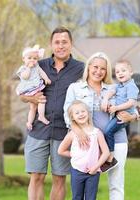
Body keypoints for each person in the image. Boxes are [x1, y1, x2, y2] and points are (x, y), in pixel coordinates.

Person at [64, 52, 140, 200]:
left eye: (103, 69)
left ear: (107, 71)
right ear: (89, 67)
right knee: (86, 187)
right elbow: (67, 114)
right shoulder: (75, 88)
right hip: (87, 143)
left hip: (116, 141)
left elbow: (135, 106)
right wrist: (77, 131)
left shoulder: (116, 88)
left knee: (116, 184)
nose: (98, 71)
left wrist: (132, 116)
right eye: (95, 67)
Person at [21, 26, 84, 200]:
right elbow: (21, 93)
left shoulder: (80, 68)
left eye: (64, 42)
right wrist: (32, 99)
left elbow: (100, 87)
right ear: (51, 45)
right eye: (57, 42)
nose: (61, 46)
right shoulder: (38, 65)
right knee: (36, 177)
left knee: (59, 178)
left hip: (64, 132)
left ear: (71, 44)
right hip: (38, 130)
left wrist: (133, 109)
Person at [58, 100, 110, 200]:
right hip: (77, 171)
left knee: (91, 198)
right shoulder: (72, 134)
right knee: (77, 197)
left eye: (83, 111)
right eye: (77, 113)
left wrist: (96, 167)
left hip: (93, 172)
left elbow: (106, 152)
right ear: (72, 117)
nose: (81, 114)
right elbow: (61, 150)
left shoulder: (97, 132)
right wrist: (74, 154)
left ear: (88, 113)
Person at [100, 60, 139, 172]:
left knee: (108, 131)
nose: (120, 73)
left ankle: (110, 158)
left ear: (131, 72)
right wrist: (106, 99)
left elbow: (131, 103)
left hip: (123, 117)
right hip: (117, 115)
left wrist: (116, 108)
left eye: (123, 70)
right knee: (108, 131)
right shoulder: (119, 86)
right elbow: (111, 92)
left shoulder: (131, 86)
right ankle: (109, 156)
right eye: (117, 72)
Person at [16, 45, 51, 130]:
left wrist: (46, 78)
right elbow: (25, 77)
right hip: (29, 88)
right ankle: (41, 116)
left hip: (35, 87)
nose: (32, 60)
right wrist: (28, 68)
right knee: (41, 99)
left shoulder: (36, 66)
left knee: (33, 107)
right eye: (29, 58)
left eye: (35, 58)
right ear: (23, 59)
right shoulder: (23, 68)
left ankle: (29, 122)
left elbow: (41, 72)